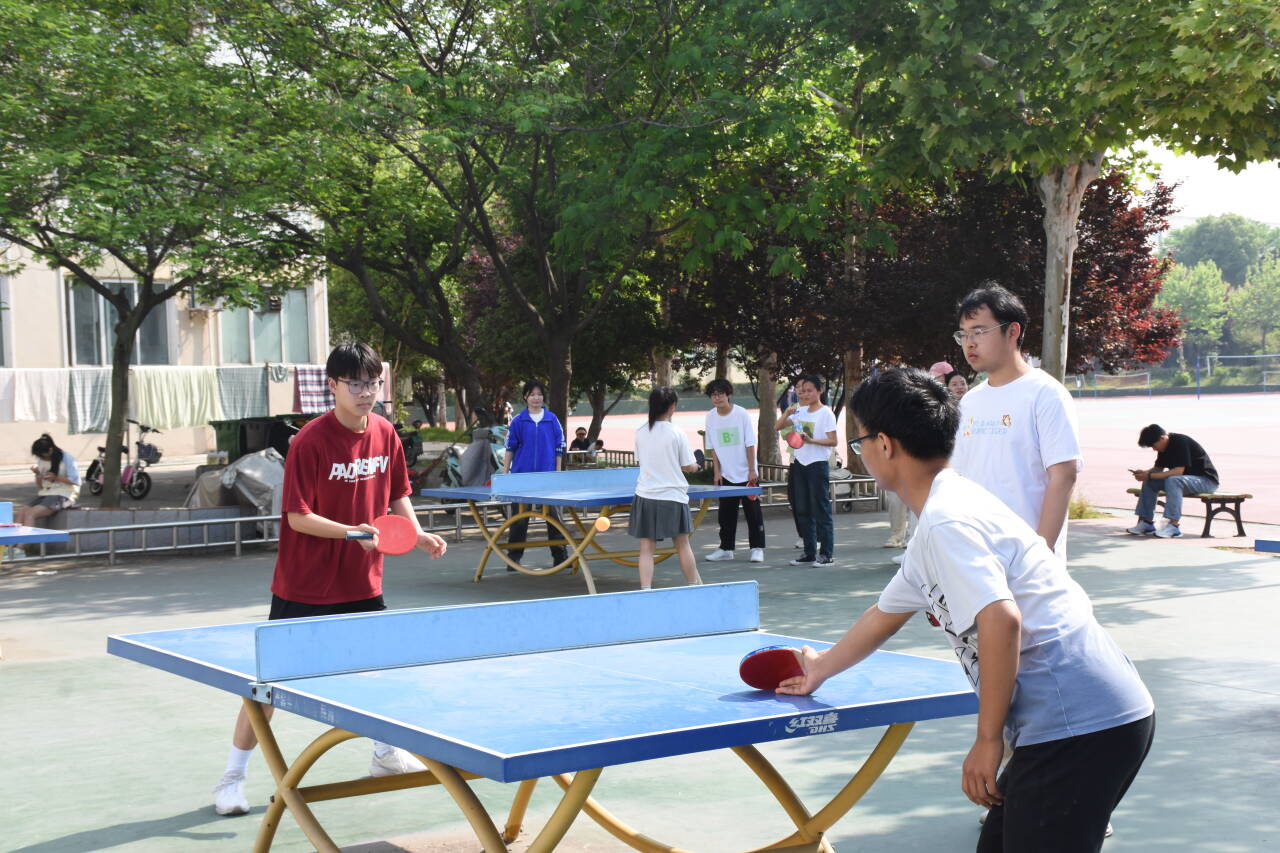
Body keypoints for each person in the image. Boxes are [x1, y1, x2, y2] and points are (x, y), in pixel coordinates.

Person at [778, 368, 1154, 853]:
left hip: (1081, 722)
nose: (861, 452)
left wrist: (987, 740)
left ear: (884, 445)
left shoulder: (946, 521)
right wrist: (821, 667)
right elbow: (885, 613)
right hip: (1083, 718)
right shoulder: (943, 511)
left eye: (859, 442)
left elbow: (1001, 619)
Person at [213, 343, 449, 817]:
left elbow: (398, 492)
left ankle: (385, 752)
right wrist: (353, 533)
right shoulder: (310, 441)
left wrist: (416, 533)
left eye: (373, 383)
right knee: (266, 689)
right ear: (333, 386)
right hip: (305, 585)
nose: (366, 392)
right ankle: (231, 779)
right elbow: (297, 517)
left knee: (380, 668)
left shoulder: (385, 433)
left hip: (363, 583)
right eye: (355, 383)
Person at [950, 285, 1081, 557]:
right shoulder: (970, 402)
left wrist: (1039, 553)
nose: (969, 343)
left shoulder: (1046, 394)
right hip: (975, 557)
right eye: (963, 334)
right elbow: (957, 476)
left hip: (1027, 560)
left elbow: (1064, 475)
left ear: (1012, 332)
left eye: (979, 331)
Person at [630, 387, 703, 589]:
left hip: (645, 495)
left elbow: (642, 461)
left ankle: (645, 590)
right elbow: (687, 466)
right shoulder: (676, 432)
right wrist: (697, 466)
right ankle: (693, 586)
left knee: (646, 548)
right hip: (672, 496)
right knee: (682, 544)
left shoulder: (641, 432)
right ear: (672, 406)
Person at [503, 380, 569, 568]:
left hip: (547, 478)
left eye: (539, 394)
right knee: (519, 519)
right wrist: (505, 473)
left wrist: (557, 472)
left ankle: (561, 556)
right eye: (532, 394)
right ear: (525, 397)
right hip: (521, 477)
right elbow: (510, 448)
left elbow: (559, 447)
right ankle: (513, 558)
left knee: (554, 517)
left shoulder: (552, 419)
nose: (536, 398)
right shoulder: (518, 421)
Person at [776, 375, 839, 566]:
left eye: (810, 390)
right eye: (802, 390)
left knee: (821, 509)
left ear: (820, 391)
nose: (805, 394)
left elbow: (833, 441)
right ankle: (809, 552)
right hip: (799, 463)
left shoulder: (826, 413)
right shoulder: (799, 411)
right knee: (802, 508)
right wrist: (787, 413)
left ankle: (826, 554)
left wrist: (812, 441)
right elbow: (777, 426)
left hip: (817, 464)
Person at [702, 379, 765, 563]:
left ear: (728, 394)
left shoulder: (741, 414)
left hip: (746, 473)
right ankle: (726, 548)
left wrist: (752, 469)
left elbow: (750, 443)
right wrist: (717, 472)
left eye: (720, 394)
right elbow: (713, 448)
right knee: (725, 514)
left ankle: (757, 548)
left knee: (753, 513)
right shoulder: (710, 417)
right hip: (726, 474)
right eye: (713, 395)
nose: (717, 398)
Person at [1126, 424, 1220, 538]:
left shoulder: (1180, 442)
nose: (1154, 449)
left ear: (1162, 438)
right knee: (1149, 481)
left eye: (1154, 445)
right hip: (1184, 482)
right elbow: (1157, 469)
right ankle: (1146, 523)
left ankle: (1173, 527)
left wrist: (1149, 475)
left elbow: (1178, 471)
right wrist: (1144, 474)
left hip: (1206, 482)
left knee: (1173, 480)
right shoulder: (1163, 448)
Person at [16, 434, 80, 527]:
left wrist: (56, 478)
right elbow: (40, 486)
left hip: (64, 494)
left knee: (30, 514)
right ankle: (16, 537)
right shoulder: (41, 460)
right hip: (46, 494)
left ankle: (26, 537)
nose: (41, 458)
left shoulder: (67, 458)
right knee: (21, 513)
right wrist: (38, 474)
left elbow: (75, 481)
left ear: (50, 450)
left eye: (42, 456)